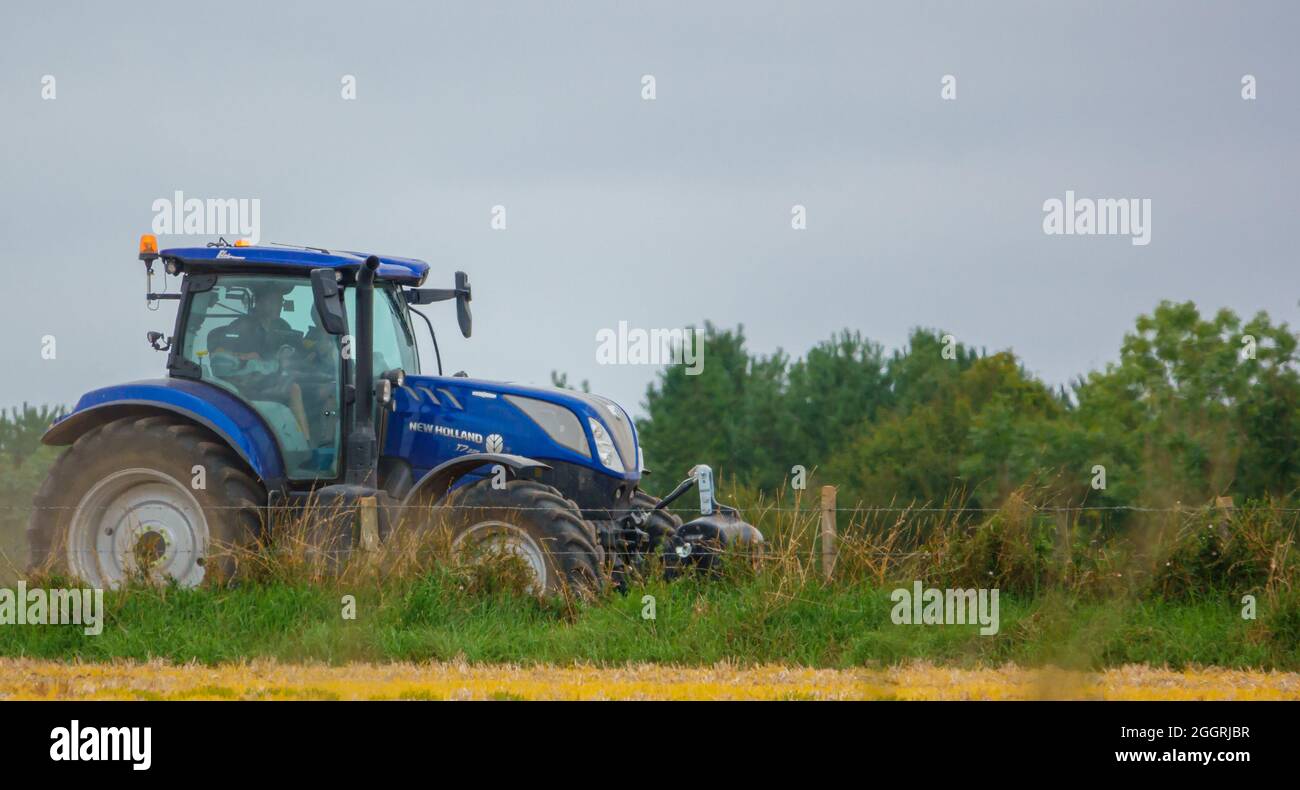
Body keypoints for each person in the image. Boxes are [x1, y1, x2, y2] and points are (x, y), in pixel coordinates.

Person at [208, 281, 312, 442]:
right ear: (261, 302)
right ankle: (306, 444)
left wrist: (289, 350)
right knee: (294, 389)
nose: (279, 305)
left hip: (271, 376)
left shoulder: (281, 325)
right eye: (275, 300)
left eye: (280, 301)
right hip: (246, 383)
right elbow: (219, 353)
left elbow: (296, 346)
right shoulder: (241, 326)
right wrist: (244, 355)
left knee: (323, 387)